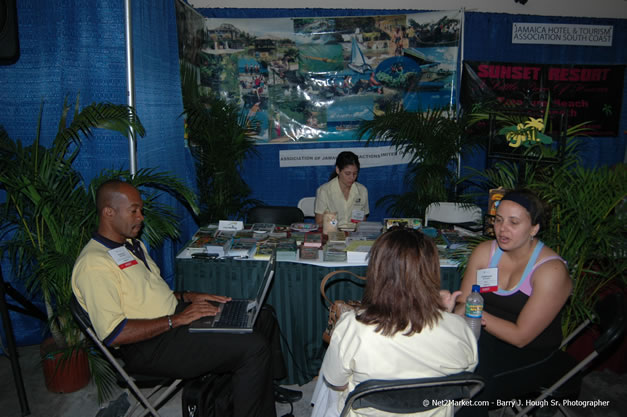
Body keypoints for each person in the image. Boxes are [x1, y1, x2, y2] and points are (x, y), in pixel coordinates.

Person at [71, 180, 301, 417]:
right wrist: (176, 320)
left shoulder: (130, 245)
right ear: (109, 212)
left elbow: (146, 294)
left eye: (141, 210)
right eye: (134, 211)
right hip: (149, 347)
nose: (141, 217)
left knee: (261, 315)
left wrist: (188, 296)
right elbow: (114, 333)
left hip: (172, 319)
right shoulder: (94, 264)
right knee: (253, 348)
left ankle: (261, 388)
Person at [311, 227, 478, 417]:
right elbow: (463, 377)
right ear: (432, 271)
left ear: (377, 271)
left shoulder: (352, 327)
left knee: (331, 381)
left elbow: (336, 383)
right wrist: (445, 317)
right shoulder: (460, 329)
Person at [454, 189, 571, 415]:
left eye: (513, 222)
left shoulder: (551, 271)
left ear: (534, 228)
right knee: (441, 363)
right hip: (484, 337)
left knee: (471, 387)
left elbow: (520, 337)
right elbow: (462, 302)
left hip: (531, 354)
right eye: (498, 220)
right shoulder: (485, 252)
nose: (502, 228)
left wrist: (474, 311)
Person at [314, 151, 369, 229]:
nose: (352, 177)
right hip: (332, 232)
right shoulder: (324, 191)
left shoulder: (362, 190)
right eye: (347, 173)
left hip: (354, 233)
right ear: (337, 170)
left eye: (355, 173)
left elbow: (363, 220)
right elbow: (319, 223)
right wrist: (333, 222)